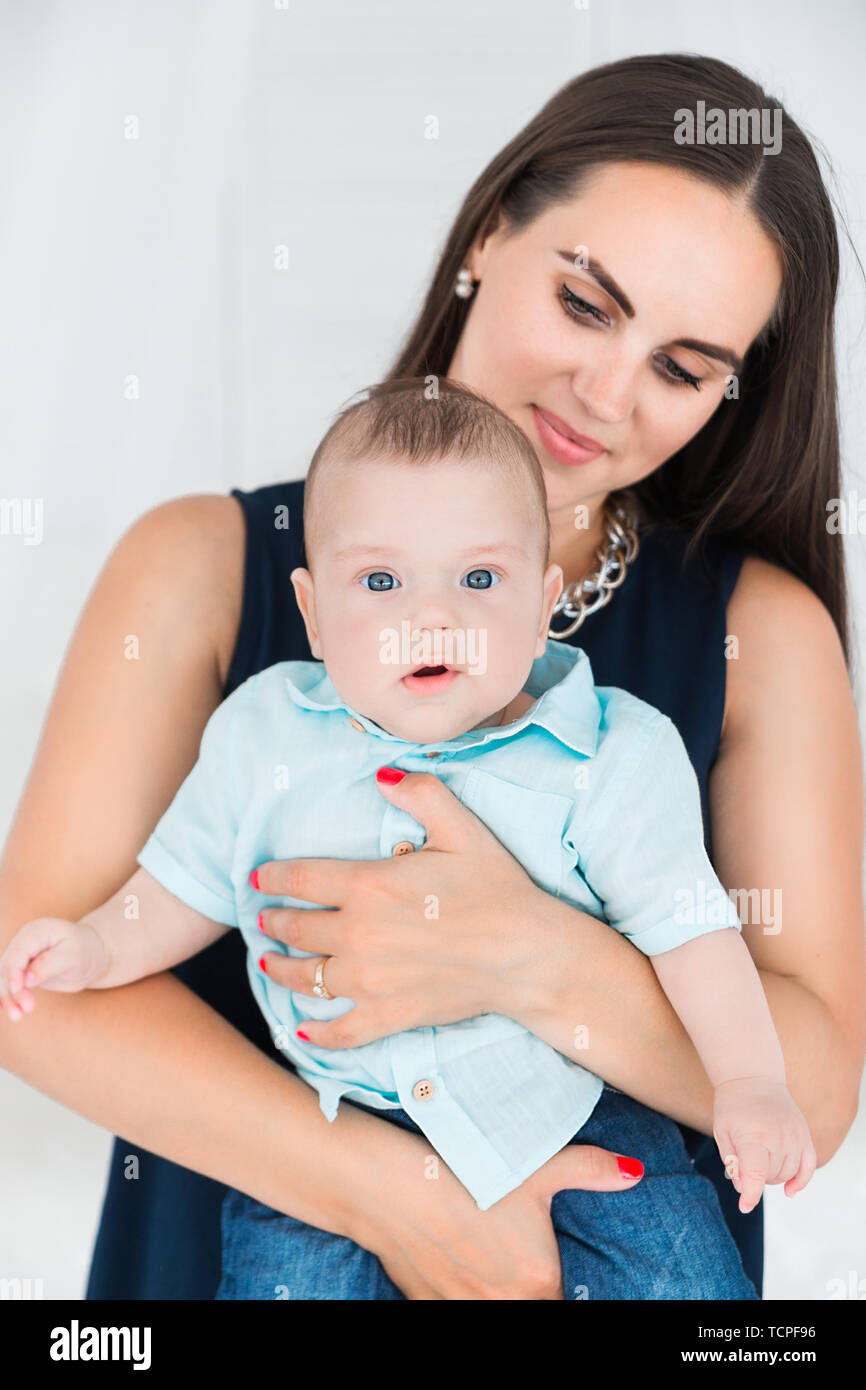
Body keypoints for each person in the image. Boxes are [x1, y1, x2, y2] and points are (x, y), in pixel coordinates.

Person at [0, 54, 863, 1302]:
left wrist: (526, 958)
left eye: (680, 369)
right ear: (487, 233)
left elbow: (817, 1082)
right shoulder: (199, 568)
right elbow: (33, 987)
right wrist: (401, 1203)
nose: (603, 395)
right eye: (583, 305)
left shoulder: (757, 634)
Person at [2, 378, 816, 1298]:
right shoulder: (263, 736)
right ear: (310, 613)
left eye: (478, 579)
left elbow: (692, 932)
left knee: (692, 1290)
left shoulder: (607, 753)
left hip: (572, 1116)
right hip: (333, 1135)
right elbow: (185, 883)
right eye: (381, 581)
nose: (432, 618)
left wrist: (747, 1081)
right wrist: (95, 943)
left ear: (544, 598)